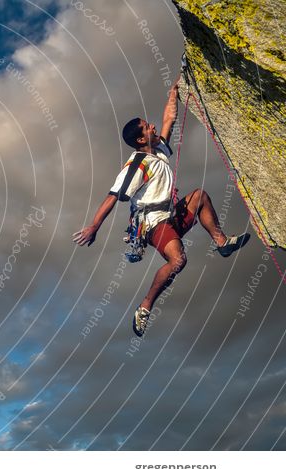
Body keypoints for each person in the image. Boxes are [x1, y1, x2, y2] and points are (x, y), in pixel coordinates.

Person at [72, 80, 250, 336]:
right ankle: (145, 307)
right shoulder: (137, 164)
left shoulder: (160, 149)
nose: (153, 126)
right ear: (141, 138)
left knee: (200, 196)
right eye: (147, 126)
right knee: (178, 259)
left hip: (170, 217)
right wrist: (94, 226)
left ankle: (222, 243)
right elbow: (112, 196)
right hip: (153, 223)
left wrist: (174, 93)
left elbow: (169, 119)